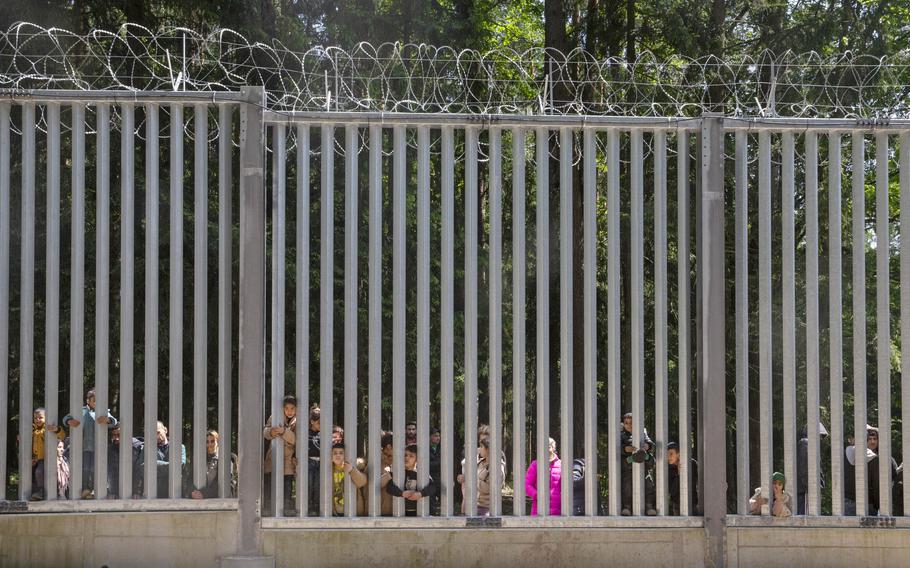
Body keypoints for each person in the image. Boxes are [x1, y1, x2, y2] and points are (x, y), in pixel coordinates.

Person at [62, 389, 118, 499]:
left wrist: (108, 420)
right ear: (88, 401)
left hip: (99, 447)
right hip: (84, 447)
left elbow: (114, 421)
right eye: (95, 400)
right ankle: (85, 488)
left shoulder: (104, 412)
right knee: (85, 468)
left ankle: (95, 489)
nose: (97, 403)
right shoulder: (81, 411)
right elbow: (66, 417)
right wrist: (69, 421)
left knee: (97, 468)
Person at [263, 395, 298, 515]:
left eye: (292, 408)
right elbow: (265, 432)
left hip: (288, 458)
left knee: (286, 484)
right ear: (282, 408)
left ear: (296, 409)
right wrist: (271, 432)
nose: (289, 411)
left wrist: (283, 431)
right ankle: (268, 506)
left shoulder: (298, 421)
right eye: (287, 408)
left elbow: (295, 440)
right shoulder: (275, 417)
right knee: (269, 482)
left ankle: (287, 506)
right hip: (273, 455)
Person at [26, 408, 66, 501]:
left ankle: (41, 491)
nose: (37, 420)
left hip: (45, 457)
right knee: (33, 475)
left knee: (39, 472)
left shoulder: (46, 429)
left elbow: (62, 435)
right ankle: (36, 492)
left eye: (40, 418)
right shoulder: (33, 430)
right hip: (36, 458)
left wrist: (57, 429)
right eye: (35, 418)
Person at [385, 444, 437, 516]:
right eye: (405, 455)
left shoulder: (421, 474)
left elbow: (433, 487)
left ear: (417, 459)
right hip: (402, 511)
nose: (407, 458)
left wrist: (420, 494)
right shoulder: (397, 474)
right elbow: (389, 487)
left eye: (411, 456)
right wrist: (402, 493)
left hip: (420, 511)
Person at [620, 412, 656, 516]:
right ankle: (627, 507)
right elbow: (618, 449)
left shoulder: (643, 434)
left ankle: (649, 506)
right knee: (627, 486)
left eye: (632, 423)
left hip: (643, 466)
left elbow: (651, 444)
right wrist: (625, 448)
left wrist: (647, 446)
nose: (629, 425)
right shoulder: (622, 436)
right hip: (628, 465)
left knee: (648, 485)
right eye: (626, 423)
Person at [141, 421, 187, 498]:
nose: (156, 436)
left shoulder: (179, 447)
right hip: (154, 494)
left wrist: (154, 464)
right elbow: (143, 467)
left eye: (158, 432)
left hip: (175, 494)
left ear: (165, 430)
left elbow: (180, 465)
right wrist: (171, 467)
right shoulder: (147, 448)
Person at [191, 430, 237, 499]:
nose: (210, 444)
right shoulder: (199, 459)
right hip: (202, 499)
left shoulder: (227, 457)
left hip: (222, 499)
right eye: (207, 442)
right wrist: (193, 492)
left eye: (212, 441)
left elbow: (224, 481)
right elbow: (190, 478)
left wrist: (203, 493)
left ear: (217, 442)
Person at [796, 422, 828, 515]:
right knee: (806, 524)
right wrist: (813, 489)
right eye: (819, 436)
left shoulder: (808, 444)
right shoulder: (805, 443)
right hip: (805, 493)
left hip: (807, 492)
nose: (820, 439)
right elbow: (804, 471)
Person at [525, 437, 561, 516]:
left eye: (548, 447)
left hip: (558, 512)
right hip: (539, 511)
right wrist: (537, 495)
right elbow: (527, 485)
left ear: (553, 448)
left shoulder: (562, 465)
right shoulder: (535, 465)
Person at [330, 442, 367, 515]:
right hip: (335, 512)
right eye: (335, 453)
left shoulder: (355, 466)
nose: (338, 455)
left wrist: (352, 470)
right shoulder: (328, 471)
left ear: (345, 455)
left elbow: (363, 482)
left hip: (353, 510)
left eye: (341, 453)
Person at [667, 442, 699, 516]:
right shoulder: (667, 468)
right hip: (677, 504)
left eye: (671, 454)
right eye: (667, 455)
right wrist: (679, 474)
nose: (668, 457)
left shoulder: (692, 463)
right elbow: (672, 491)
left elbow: (700, 480)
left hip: (693, 502)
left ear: (678, 454)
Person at [306, 405, 321, 515]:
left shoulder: (324, 433)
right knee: (309, 484)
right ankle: (308, 506)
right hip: (309, 462)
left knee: (318, 485)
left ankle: (316, 506)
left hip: (321, 462)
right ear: (312, 421)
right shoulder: (307, 433)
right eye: (319, 423)